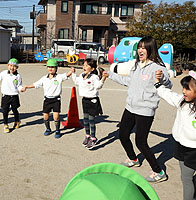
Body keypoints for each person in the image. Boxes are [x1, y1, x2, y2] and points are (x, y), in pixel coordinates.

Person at [103, 36, 172, 182]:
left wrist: (162, 79)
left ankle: (159, 171)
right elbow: (129, 81)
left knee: (141, 142)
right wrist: (111, 75)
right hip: (130, 107)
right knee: (122, 135)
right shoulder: (136, 65)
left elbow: (169, 84)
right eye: (139, 47)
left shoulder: (157, 68)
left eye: (143, 47)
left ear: (150, 49)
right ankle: (133, 159)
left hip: (145, 110)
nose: (140, 50)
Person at [155, 70, 196, 200]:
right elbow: (168, 94)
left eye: (188, 89)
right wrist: (157, 83)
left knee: (187, 178)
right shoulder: (181, 101)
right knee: (185, 176)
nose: (184, 91)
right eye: (183, 88)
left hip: (194, 149)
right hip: (180, 144)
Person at [21, 59, 72, 138]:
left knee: (56, 116)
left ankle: (57, 130)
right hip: (47, 100)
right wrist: (26, 87)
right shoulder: (44, 78)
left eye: (52, 67)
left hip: (56, 100)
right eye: (49, 67)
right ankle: (48, 129)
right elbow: (36, 84)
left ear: (56, 68)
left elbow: (67, 75)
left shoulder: (59, 77)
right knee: (45, 116)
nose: (50, 69)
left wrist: (71, 71)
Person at [71, 59, 107, 149]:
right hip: (85, 100)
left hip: (93, 100)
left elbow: (98, 86)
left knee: (91, 120)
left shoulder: (94, 77)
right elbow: (76, 82)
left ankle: (93, 138)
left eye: (87, 66)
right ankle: (87, 136)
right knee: (85, 119)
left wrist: (103, 78)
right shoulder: (81, 75)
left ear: (92, 68)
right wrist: (73, 73)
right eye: (84, 65)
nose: (84, 67)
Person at [0, 58, 23, 133]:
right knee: (5, 111)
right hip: (5, 96)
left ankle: (17, 121)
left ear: (17, 67)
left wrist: (21, 89)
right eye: (10, 65)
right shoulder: (4, 73)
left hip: (14, 96)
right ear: (8, 66)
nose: (12, 68)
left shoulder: (18, 76)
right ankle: (5, 124)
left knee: (14, 110)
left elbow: (19, 85)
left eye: (14, 66)